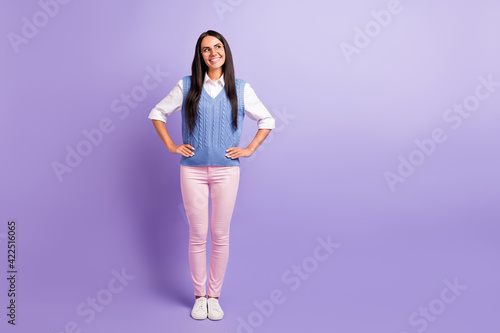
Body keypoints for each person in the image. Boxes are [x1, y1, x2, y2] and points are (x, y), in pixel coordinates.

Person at [148, 30, 275, 320]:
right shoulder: (187, 86)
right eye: (206, 49)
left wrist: (249, 149)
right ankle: (199, 296)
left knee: (220, 235)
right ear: (200, 55)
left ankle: (214, 297)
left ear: (225, 51)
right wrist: (171, 145)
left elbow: (267, 119)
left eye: (218, 47)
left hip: (227, 171)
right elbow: (157, 113)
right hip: (191, 171)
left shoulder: (240, 88)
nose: (213, 52)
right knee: (197, 235)